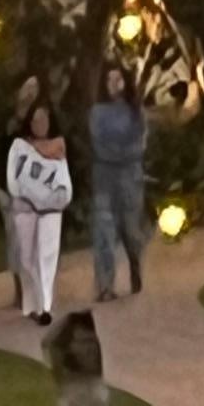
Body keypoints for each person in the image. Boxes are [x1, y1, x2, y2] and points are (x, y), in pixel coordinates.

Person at [4, 93, 74, 323]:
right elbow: (13, 180)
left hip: (50, 210)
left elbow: (63, 182)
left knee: (47, 256)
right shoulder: (20, 147)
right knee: (27, 258)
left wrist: (51, 199)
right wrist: (29, 195)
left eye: (44, 120)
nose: (39, 125)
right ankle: (31, 304)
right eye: (35, 120)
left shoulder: (58, 148)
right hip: (25, 208)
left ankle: (44, 307)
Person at [88, 59, 149, 302]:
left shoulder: (134, 111)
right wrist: (119, 153)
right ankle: (105, 286)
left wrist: (125, 154)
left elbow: (139, 143)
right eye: (109, 79)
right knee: (104, 231)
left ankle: (135, 265)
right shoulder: (97, 112)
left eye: (118, 79)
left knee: (131, 231)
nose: (114, 84)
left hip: (130, 178)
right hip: (104, 179)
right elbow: (99, 145)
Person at [0, 77, 48, 314]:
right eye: (27, 87)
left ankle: (35, 292)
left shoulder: (39, 119)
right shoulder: (9, 120)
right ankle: (19, 291)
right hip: (7, 187)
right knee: (14, 241)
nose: (29, 92)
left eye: (33, 89)